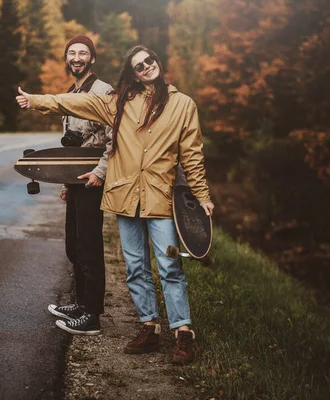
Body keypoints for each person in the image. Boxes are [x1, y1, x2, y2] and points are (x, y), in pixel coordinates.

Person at [16, 45, 214, 365]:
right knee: (135, 268)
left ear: (158, 63)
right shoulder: (119, 102)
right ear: (132, 73)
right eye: (138, 65)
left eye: (149, 61)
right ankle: (148, 326)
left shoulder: (183, 105)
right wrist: (36, 100)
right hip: (125, 198)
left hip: (161, 199)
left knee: (169, 268)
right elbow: (74, 101)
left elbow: (192, 157)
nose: (146, 67)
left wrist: (202, 197)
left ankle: (182, 333)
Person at [46, 35, 113, 336]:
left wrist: (100, 172)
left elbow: (115, 139)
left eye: (83, 53)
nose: (77, 57)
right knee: (73, 243)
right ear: (66, 58)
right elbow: (70, 146)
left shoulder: (103, 91)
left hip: (93, 179)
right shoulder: (70, 93)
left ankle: (92, 315)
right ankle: (80, 302)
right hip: (75, 180)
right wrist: (65, 182)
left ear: (92, 59)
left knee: (89, 245)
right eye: (72, 52)